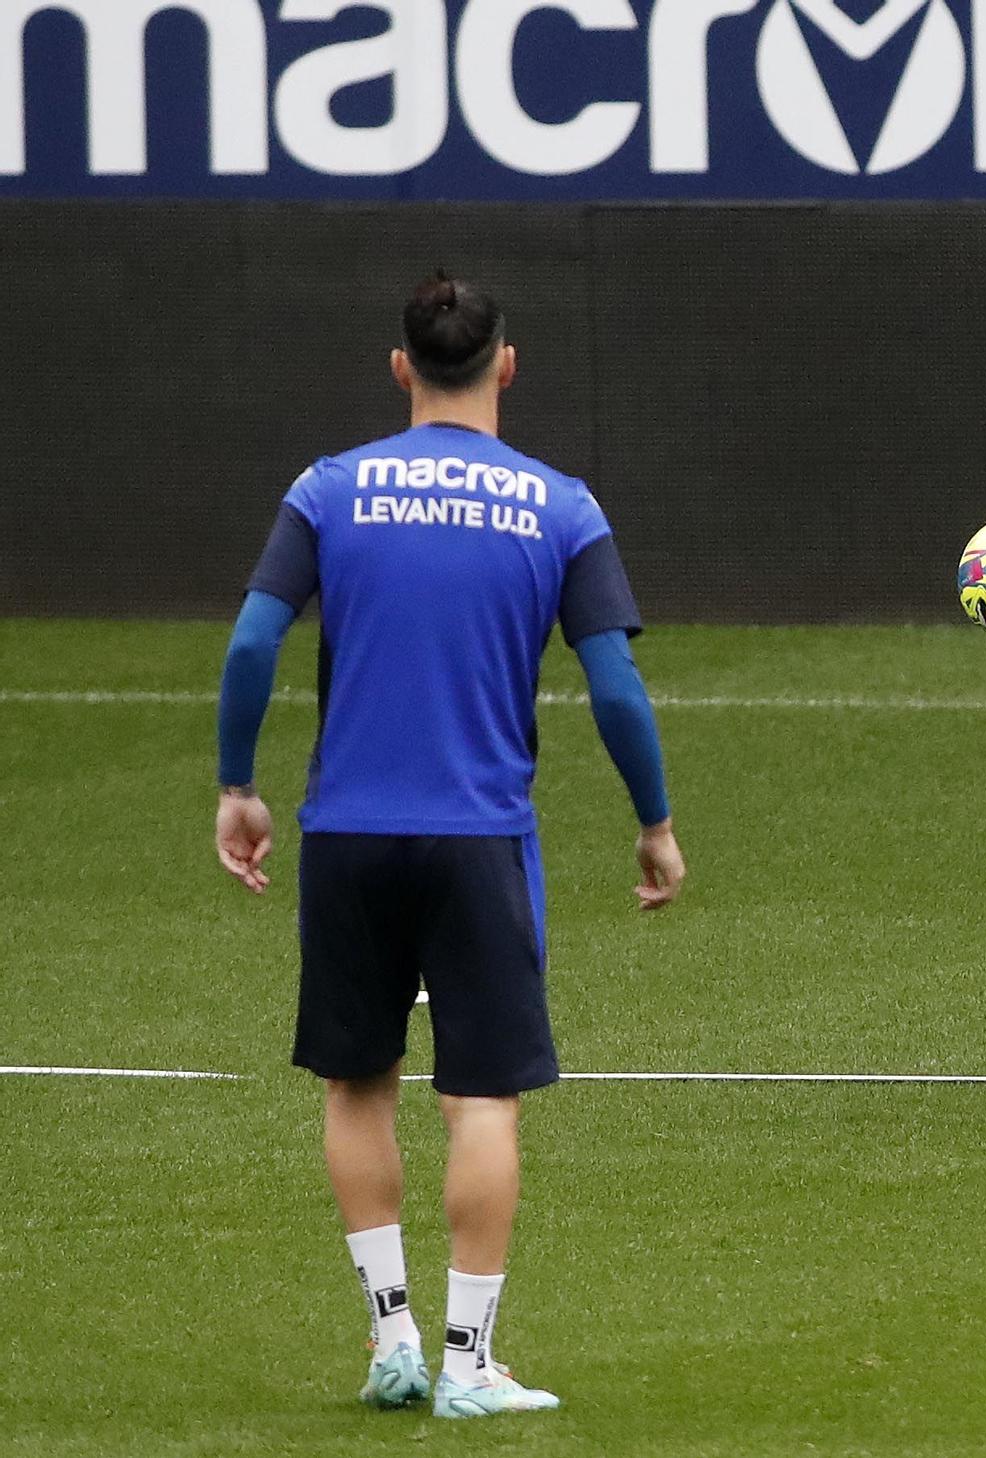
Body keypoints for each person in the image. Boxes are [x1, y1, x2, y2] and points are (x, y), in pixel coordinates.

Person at [213, 273, 686, 1416]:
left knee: (356, 1081)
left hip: (347, 835)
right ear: (506, 365)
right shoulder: (560, 505)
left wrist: (239, 785)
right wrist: (653, 820)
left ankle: (391, 1342)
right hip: (479, 839)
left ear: (400, 368)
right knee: (481, 1097)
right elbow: (615, 689)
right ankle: (470, 1364)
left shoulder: (328, 490)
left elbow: (250, 646)